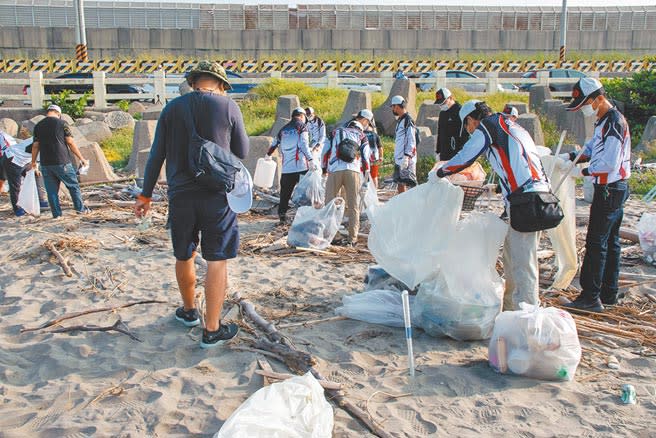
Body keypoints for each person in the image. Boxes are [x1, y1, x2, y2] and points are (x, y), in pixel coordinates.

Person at [134, 60, 249, 348]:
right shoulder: (228, 107)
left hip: (181, 195)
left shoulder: (172, 109)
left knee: (184, 255)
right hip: (216, 197)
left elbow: (156, 155)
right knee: (216, 259)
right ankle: (212, 329)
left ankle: (188, 311)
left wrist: (145, 195)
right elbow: (242, 151)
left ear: (194, 81)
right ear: (221, 84)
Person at [433, 100, 552, 311]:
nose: (469, 131)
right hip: (532, 197)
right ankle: (509, 311)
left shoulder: (487, 126)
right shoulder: (508, 124)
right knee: (512, 257)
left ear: (471, 119)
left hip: (526, 200)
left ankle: (527, 317)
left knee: (523, 263)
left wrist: (441, 171)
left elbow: (466, 157)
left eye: (467, 126)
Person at [559, 78, 631, 313]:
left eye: (586, 103)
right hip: (615, 188)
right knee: (611, 242)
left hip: (609, 189)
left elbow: (609, 162)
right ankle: (608, 293)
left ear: (599, 98)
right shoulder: (604, 121)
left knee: (596, 243)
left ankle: (590, 296)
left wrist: (584, 171)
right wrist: (571, 157)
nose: (584, 109)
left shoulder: (614, 123)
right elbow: (591, 148)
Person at [321, 113, 371, 246]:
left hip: (335, 169)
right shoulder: (362, 135)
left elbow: (325, 151)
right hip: (353, 171)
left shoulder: (335, 132)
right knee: (354, 206)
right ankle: (352, 239)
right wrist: (366, 178)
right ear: (362, 125)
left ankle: (332, 236)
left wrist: (324, 170)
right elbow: (366, 157)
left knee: (330, 204)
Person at [30, 104, 89, 218]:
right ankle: (80, 210)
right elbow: (70, 142)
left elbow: (35, 146)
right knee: (73, 186)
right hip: (62, 162)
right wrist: (81, 158)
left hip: (45, 163)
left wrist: (33, 162)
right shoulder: (62, 123)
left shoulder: (38, 126)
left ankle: (57, 215)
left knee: (52, 192)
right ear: (59, 114)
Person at [266, 107, 316, 225]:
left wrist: (267, 155)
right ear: (302, 116)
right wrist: (311, 159)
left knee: (285, 195)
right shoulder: (302, 127)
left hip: (287, 169)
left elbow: (274, 144)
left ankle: (282, 219)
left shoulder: (283, 129)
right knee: (305, 194)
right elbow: (303, 145)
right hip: (301, 167)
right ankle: (304, 219)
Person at [1, 134, 47, 216]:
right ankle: (17, 209)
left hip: (25, 159)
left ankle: (41, 201)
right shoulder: (43, 139)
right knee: (15, 185)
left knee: (37, 176)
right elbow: (35, 151)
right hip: (13, 158)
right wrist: (35, 166)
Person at [390, 95, 417, 193]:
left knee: (410, 182)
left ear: (397, 106)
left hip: (406, 158)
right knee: (400, 182)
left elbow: (411, 139)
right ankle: (401, 204)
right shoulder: (400, 120)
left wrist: (407, 156)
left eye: (393, 106)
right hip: (399, 158)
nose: (392, 109)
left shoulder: (408, 120)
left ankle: (414, 203)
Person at [434, 88, 468, 161]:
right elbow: (440, 132)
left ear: (450, 98)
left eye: (443, 103)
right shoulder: (442, 113)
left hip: (457, 153)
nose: (442, 105)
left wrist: (462, 152)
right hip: (444, 153)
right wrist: (438, 151)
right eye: (440, 104)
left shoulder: (460, 111)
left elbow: (465, 134)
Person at [359, 109, 383, 188]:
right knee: (374, 176)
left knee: (364, 176)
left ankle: (366, 193)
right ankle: (374, 193)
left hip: (364, 159)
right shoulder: (374, 134)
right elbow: (380, 147)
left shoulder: (360, 134)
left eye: (360, 119)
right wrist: (381, 157)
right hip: (374, 159)